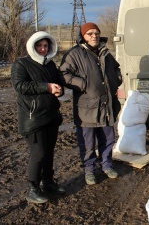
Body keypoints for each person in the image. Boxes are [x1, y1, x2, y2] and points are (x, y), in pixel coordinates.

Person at [59, 22, 122, 185]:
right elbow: (64, 74)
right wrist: (83, 84)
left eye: (96, 33)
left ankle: (107, 165)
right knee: (87, 143)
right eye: (90, 34)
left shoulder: (105, 53)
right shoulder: (75, 54)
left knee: (108, 139)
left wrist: (116, 80)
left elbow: (116, 69)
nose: (94, 36)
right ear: (83, 37)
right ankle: (89, 170)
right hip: (87, 108)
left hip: (107, 105)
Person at [11, 31, 65, 204]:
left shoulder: (50, 64)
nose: (43, 49)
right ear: (32, 46)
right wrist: (47, 87)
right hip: (32, 117)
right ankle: (33, 189)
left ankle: (47, 182)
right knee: (38, 153)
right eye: (39, 46)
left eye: (45, 46)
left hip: (50, 116)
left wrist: (59, 89)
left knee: (49, 152)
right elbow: (20, 86)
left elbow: (59, 82)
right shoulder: (22, 63)